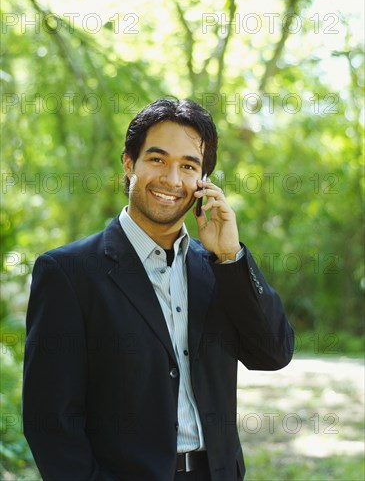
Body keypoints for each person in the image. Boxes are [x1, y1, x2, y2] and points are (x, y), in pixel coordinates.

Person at [23, 98, 294, 481]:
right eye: (157, 159)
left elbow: (274, 353)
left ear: (203, 181)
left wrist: (232, 258)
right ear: (129, 164)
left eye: (188, 166)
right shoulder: (68, 272)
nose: (171, 179)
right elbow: (49, 421)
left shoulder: (217, 267)